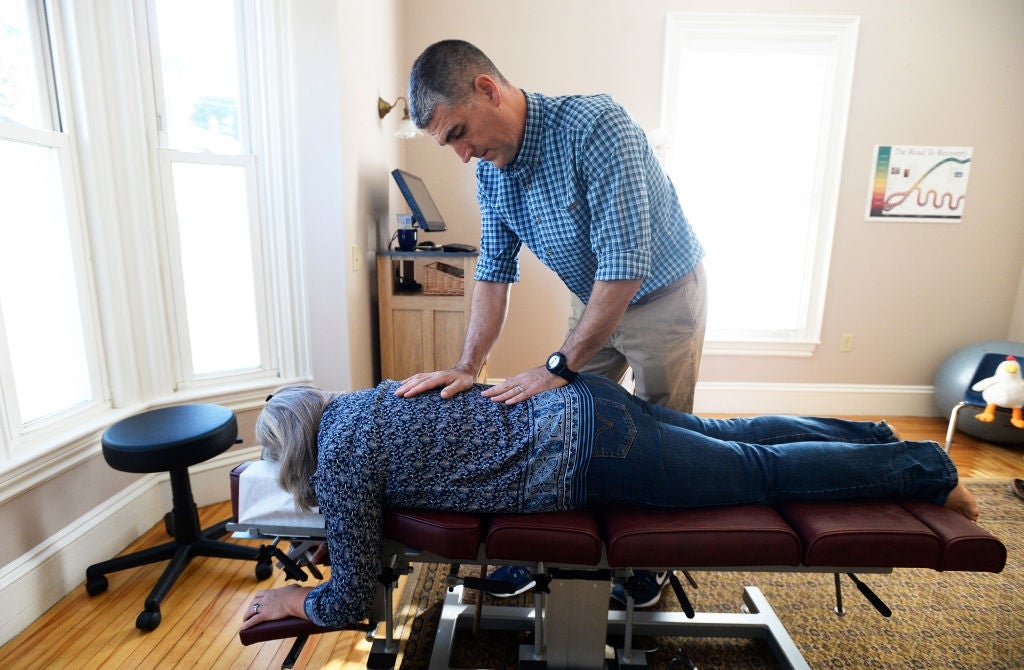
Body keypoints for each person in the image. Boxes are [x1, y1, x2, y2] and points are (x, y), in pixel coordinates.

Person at [240, 377, 978, 632]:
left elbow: (343, 604)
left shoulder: (338, 461)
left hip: (594, 453)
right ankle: (876, 436)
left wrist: (293, 604)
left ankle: (924, 468)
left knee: (755, 471)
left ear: (297, 454)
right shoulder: (373, 397)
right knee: (739, 434)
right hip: (586, 403)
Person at [396, 37, 707, 604]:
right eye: (449, 145)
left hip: (661, 296)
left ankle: (652, 562)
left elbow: (625, 266)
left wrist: (559, 364)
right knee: (559, 422)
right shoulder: (490, 172)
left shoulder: (596, 128)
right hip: (593, 298)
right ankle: (547, 548)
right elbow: (492, 272)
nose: (461, 154)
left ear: (487, 90)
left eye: (459, 133)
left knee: (665, 435)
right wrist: (469, 365)